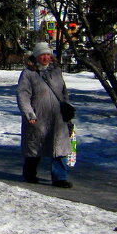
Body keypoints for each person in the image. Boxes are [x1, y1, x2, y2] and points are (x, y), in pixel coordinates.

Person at [16, 41, 74, 188]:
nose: (46, 58)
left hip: (58, 117)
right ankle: (29, 173)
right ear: (36, 57)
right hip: (38, 117)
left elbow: (63, 92)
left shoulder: (56, 71)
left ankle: (59, 178)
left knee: (59, 147)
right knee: (35, 147)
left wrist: (67, 108)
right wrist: (29, 114)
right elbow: (23, 95)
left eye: (48, 54)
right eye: (42, 55)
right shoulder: (28, 74)